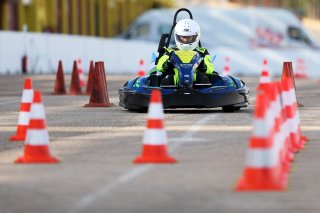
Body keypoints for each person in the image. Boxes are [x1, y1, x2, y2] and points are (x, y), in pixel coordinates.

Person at [155, 18, 216, 86]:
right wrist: (166, 65)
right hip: (175, 79)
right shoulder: (170, 51)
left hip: (196, 80)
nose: (185, 40)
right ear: (177, 36)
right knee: (167, 80)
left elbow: (210, 69)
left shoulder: (202, 51)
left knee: (203, 79)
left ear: (195, 37)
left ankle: (204, 95)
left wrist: (203, 65)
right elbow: (160, 67)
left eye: (188, 37)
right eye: (183, 37)